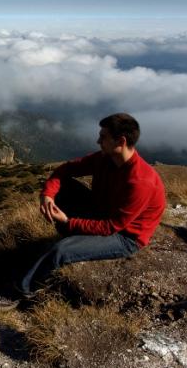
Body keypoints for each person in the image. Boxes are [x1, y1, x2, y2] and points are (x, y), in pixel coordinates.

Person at [20, 112, 166, 296]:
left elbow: (112, 226)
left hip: (125, 236)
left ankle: (23, 291)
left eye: (103, 137)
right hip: (102, 212)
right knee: (63, 186)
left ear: (120, 142)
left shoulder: (140, 182)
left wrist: (67, 222)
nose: (98, 141)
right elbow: (65, 170)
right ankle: (77, 239)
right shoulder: (105, 159)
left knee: (60, 250)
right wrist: (47, 195)